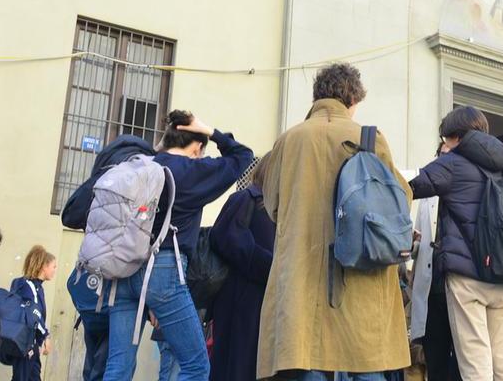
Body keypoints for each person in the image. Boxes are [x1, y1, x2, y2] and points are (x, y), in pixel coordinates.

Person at [256, 63, 412, 380]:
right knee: (364, 363)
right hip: (361, 275)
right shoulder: (370, 138)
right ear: (353, 100)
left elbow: (272, 206)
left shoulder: (288, 140)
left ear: (317, 97)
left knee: (306, 359)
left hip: (301, 278)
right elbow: (401, 201)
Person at [102, 110, 255, 381]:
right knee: (196, 365)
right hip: (163, 271)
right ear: (197, 148)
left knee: (118, 367)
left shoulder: (143, 165)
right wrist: (208, 130)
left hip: (121, 270)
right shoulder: (192, 171)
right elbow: (243, 156)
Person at [410, 106, 503, 381]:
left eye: (446, 139)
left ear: (454, 137)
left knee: (475, 364)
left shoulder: (453, 162)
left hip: (468, 279)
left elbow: (412, 185)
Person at [208, 161, 275, 381]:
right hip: (240, 301)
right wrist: (273, 266)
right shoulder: (246, 199)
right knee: (236, 365)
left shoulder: (281, 206)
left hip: (264, 300)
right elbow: (229, 240)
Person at [410, 140, 463, 381]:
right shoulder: (426, 196)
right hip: (432, 291)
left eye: (451, 155)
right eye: (442, 155)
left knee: (463, 361)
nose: (446, 160)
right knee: (435, 360)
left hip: (459, 289)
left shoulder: (466, 192)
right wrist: (412, 242)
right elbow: (419, 245)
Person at [10, 245, 57, 381]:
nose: (55, 270)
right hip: (26, 342)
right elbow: (34, 313)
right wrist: (46, 335)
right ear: (44, 266)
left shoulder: (34, 287)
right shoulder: (29, 286)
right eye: (53, 266)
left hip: (31, 343)